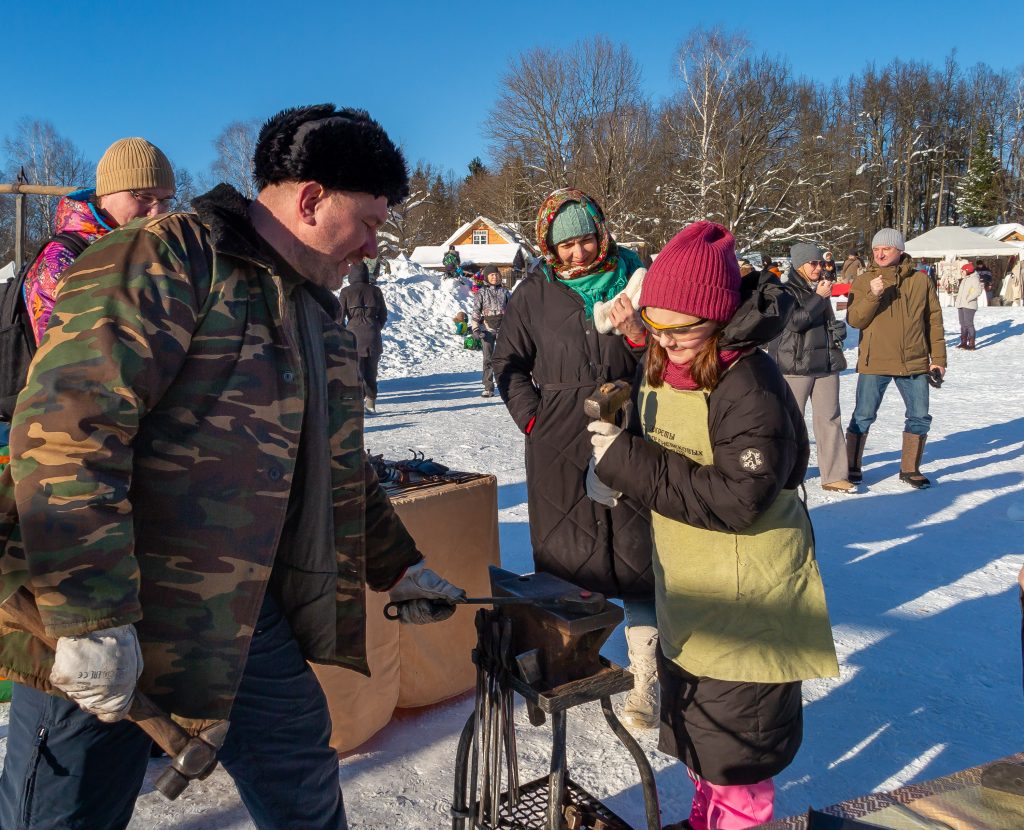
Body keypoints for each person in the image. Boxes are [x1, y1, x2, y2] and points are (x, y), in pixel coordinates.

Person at [0, 104, 467, 830]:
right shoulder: (165, 257)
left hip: (245, 620)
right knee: (67, 813)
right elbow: (66, 433)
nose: (372, 247)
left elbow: (338, 466)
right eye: (369, 222)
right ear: (310, 199)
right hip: (109, 625)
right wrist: (91, 614)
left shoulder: (315, 312)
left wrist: (398, 568)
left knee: (305, 787)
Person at [586, 221, 838, 830]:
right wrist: (621, 460)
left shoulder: (749, 383)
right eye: (656, 327)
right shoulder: (679, 360)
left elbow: (735, 497)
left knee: (738, 765)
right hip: (697, 596)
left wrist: (627, 461)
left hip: (747, 605)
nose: (664, 342)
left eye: (681, 329)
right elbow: (673, 442)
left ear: (719, 319)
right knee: (705, 747)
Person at [491, 188, 658, 729]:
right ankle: (565, 661)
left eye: (586, 239)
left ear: (602, 233)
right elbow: (508, 363)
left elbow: (667, 349)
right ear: (549, 246)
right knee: (567, 557)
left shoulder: (638, 277)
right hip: (558, 433)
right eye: (566, 245)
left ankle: (646, 678)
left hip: (629, 422)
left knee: (637, 557)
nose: (579, 254)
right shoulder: (533, 293)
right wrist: (534, 418)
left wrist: (636, 333)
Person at [22, 137, 176, 346]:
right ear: (107, 193)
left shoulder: (154, 248)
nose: (156, 212)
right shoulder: (61, 258)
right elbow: (59, 359)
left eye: (165, 200)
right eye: (144, 196)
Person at [845, 228, 946, 489]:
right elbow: (855, 320)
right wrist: (873, 295)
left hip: (913, 361)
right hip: (874, 360)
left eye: (886, 249)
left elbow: (933, 321)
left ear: (899, 251)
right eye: (876, 249)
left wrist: (938, 358)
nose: (879, 254)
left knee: (920, 416)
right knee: (863, 415)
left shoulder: (920, 280)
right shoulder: (864, 280)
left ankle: (910, 469)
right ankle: (852, 466)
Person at [767, 243, 855, 493]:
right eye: (812, 263)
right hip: (794, 364)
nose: (818, 268)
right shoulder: (784, 291)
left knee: (830, 418)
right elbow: (795, 323)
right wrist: (819, 298)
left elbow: (821, 321)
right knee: (790, 421)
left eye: (820, 263)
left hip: (825, 362)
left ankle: (835, 475)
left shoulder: (821, 289)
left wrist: (836, 330)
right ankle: (785, 473)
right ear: (798, 264)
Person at [338, 260, 389, 412]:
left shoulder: (346, 292)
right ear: (366, 273)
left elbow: (339, 317)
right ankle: (371, 403)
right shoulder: (375, 291)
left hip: (354, 336)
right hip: (373, 335)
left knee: (356, 371)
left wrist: (345, 332)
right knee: (371, 371)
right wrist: (375, 326)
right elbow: (383, 315)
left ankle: (358, 404)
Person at [471, 265, 511, 398]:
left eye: (496, 274)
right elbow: (476, 312)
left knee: (505, 358)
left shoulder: (505, 292)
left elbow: (512, 311)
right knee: (488, 359)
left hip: (503, 330)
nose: (495, 277)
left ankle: (507, 385)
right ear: (487, 277)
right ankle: (488, 387)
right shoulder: (481, 292)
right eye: (492, 275)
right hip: (486, 330)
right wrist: (475, 328)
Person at [954, 262, 983, 350]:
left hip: (969, 305)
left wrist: (968, 298)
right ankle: (963, 342)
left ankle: (971, 344)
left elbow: (978, 291)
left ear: (968, 270)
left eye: (963, 271)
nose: (962, 272)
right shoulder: (965, 279)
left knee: (968, 324)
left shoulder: (974, 279)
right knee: (962, 324)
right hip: (961, 304)